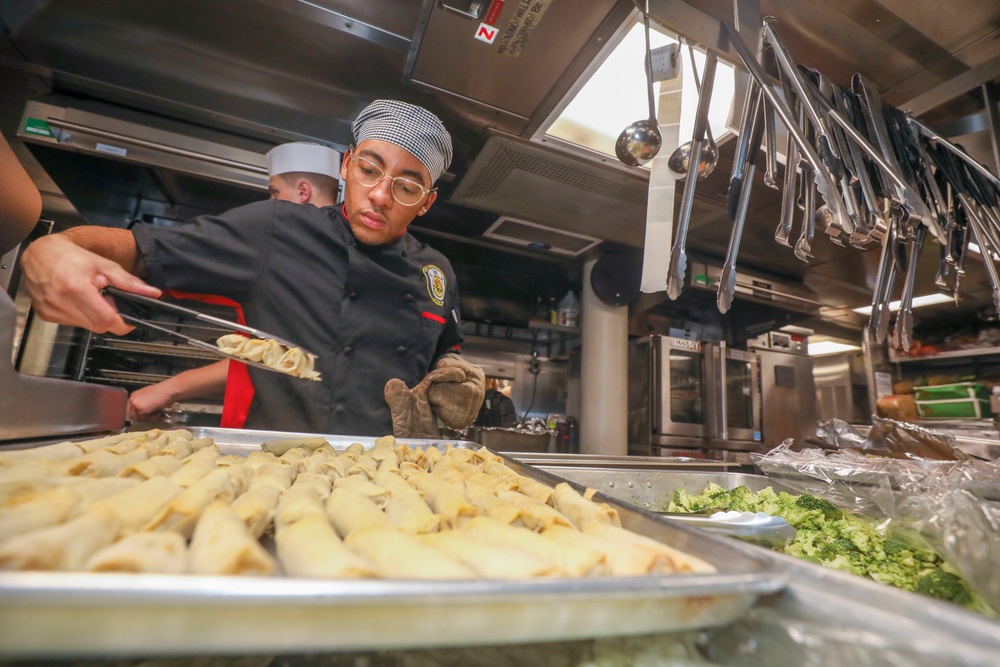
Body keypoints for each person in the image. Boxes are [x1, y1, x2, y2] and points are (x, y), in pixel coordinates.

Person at [21, 100, 484, 438]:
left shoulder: (435, 271)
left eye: (406, 187)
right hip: (279, 474)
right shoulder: (277, 228)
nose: (381, 195)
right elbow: (143, 249)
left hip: (394, 482)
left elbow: (445, 355)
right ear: (346, 165)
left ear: (426, 203)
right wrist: (58, 248)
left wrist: (457, 378)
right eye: (369, 169)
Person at [125, 141, 342, 423]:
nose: (270, 203)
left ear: (303, 192)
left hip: (264, 430)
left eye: (274, 192)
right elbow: (264, 355)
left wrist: (170, 387)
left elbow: (271, 361)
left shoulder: (275, 254)